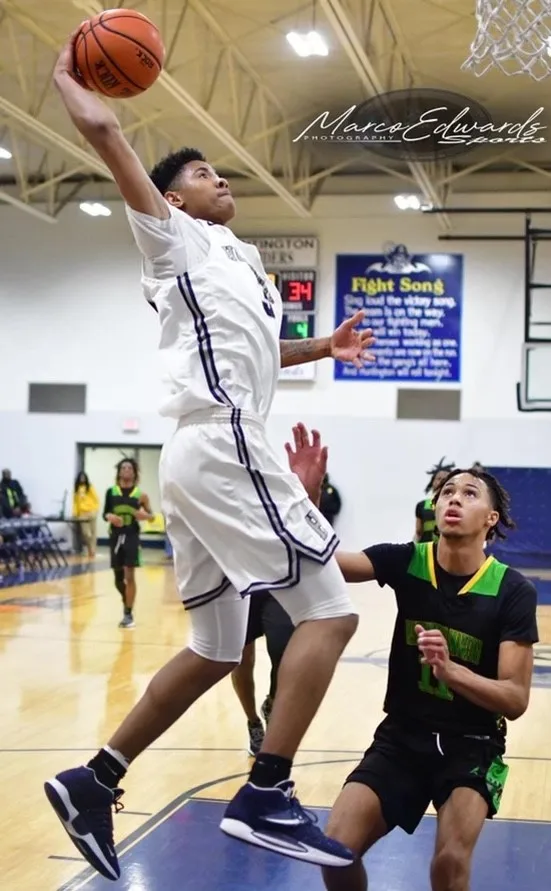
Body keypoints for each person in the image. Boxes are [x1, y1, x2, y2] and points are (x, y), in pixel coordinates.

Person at [44, 29, 377, 881]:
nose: (219, 177)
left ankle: (95, 777)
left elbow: (259, 348)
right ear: (173, 200)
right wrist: (71, 79)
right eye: (201, 172)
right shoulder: (174, 240)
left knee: (218, 646)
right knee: (330, 611)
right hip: (223, 440)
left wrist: (323, 347)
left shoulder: (241, 263)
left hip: (199, 457)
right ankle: (266, 788)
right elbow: (108, 135)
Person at [285, 423, 538, 891]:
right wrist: (308, 500)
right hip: (403, 736)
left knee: (449, 864)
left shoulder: (513, 591)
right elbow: (324, 561)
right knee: (335, 850)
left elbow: (515, 698)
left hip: (472, 745)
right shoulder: (408, 561)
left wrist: (451, 671)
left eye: (469, 493)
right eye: (446, 493)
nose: (453, 499)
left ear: (491, 518)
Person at [231, 593, 295, 755]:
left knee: (284, 651)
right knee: (241, 659)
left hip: (274, 587)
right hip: (236, 589)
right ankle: (253, 722)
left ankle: (271, 705)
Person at [103, 458, 153, 629]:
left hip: (132, 535)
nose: (126, 470)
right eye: (123, 468)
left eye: (129, 468)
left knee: (129, 575)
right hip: (115, 536)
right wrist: (109, 517)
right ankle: (127, 600)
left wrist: (145, 516)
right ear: (119, 472)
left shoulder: (141, 495)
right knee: (118, 578)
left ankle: (128, 614)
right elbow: (105, 513)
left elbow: (152, 516)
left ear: (134, 472)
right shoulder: (111, 492)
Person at [415, 457, 455, 542]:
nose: (441, 481)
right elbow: (418, 532)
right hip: (425, 547)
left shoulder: (456, 504)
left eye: (445, 479)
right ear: (432, 482)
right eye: (439, 478)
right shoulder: (421, 505)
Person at [73, 471, 100, 558]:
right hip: (82, 513)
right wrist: (75, 513)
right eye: (81, 477)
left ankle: (92, 551)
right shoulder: (76, 488)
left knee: (93, 532)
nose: (82, 479)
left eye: (84, 477)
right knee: (86, 533)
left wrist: (95, 510)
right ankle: (90, 549)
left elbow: (96, 499)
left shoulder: (90, 487)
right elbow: (75, 502)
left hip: (91, 511)